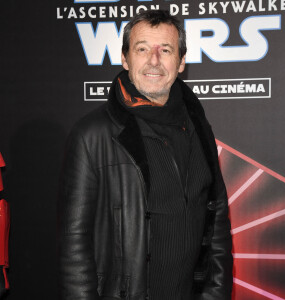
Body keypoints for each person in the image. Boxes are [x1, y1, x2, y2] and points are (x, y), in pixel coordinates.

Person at [58, 10, 233, 300]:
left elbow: (217, 222)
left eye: (165, 50)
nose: (154, 60)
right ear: (125, 59)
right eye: (142, 49)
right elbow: (74, 244)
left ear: (181, 62)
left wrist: (216, 293)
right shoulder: (92, 134)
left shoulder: (199, 126)